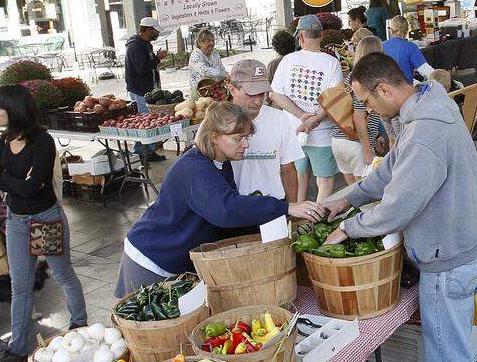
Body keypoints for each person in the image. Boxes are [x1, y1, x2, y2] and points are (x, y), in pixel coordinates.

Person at [319, 52, 477, 362]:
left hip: (450, 255)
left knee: (447, 352)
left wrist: (349, 228)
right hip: (464, 241)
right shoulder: (430, 102)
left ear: (384, 89)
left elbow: (399, 205)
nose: (367, 110)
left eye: (366, 100)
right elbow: (390, 169)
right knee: (450, 344)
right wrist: (346, 200)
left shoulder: (423, 131)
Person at [116, 103, 325, 297]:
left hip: (175, 259)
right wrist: (286, 207)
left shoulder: (221, 163)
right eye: (237, 139)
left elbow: (227, 215)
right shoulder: (195, 170)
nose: (245, 145)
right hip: (151, 258)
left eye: (246, 138)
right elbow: (226, 210)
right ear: (214, 137)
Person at [0, 84, 88, 362]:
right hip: (17, 222)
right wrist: (20, 183)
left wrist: (13, 182)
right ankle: (17, 351)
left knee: (62, 273)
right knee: (20, 285)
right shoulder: (5, 139)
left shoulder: (42, 141)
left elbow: (33, 188)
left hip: (44, 219)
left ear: (13, 109)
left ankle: (79, 323)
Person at [269, 15, 344, 203]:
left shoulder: (287, 60)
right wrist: (314, 120)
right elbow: (333, 100)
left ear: (301, 37)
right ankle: (315, 220)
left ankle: (298, 218)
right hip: (322, 134)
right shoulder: (332, 62)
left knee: (299, 178)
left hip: (293, 133)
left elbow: (274, 95)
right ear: (320, 36)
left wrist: (301, 116)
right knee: (325, 182)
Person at [228, 59, 303, 200]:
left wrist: (292, 208)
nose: (258, 101)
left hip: (273, 205)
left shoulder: (280, 119)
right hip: (233, 208)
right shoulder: (216, 122)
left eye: (262, 93)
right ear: (232, 89)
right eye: (251, 94)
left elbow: (288, 169)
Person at [330, 37, 383, 184]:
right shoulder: (364, 80)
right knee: (365, 196)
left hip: (338, 141)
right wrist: (367, 151)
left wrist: (376, 135)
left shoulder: (350, 77)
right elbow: (359, 117)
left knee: (353, 195)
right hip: (356, 145)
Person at [125, 16, 168, 163]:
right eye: (156, 31)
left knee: (147, 122)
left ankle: (147, 151)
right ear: (149, 30)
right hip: (139, 90)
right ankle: (142, 152)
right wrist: (157, 58)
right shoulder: (135, 46)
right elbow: (142, 68)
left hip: (146, 89)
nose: (157, 34)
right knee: (144, 122)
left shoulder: (145, 44)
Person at [383, 16, 434, 82]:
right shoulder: (411, 47)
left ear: (391, 30)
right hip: (405, 88)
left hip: (386, 89)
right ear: (407, 31)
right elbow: (427, 72)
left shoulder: (381, 45)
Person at [188, 28, 227, 97]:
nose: (212, 43)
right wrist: (222, 74)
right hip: (199, 92)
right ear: (200, 43)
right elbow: (204, 70)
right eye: (208, 41)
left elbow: (221, 68)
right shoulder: (195, 55)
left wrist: (226, 78)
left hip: (215, 91)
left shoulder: (215, 54)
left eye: (213, 40)